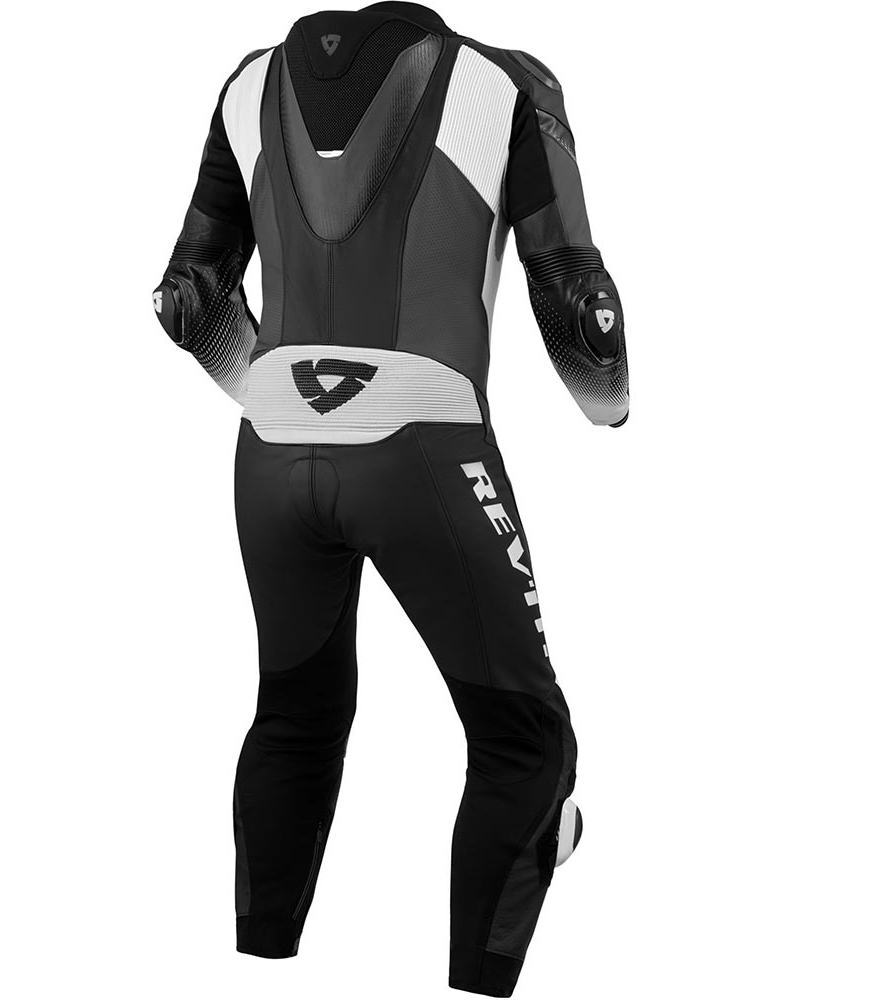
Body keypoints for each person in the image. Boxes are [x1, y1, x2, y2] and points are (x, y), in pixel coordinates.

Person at [152, 3, 628, 995]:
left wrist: (278, 398)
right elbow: (578, 301)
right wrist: (609, 408)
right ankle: (480, 971)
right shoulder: (507, 82)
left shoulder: (248, 82)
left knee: (294, 712)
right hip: (424, 442)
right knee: (524, 739)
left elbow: (186, 297)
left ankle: (256, 966)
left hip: (269, 449)